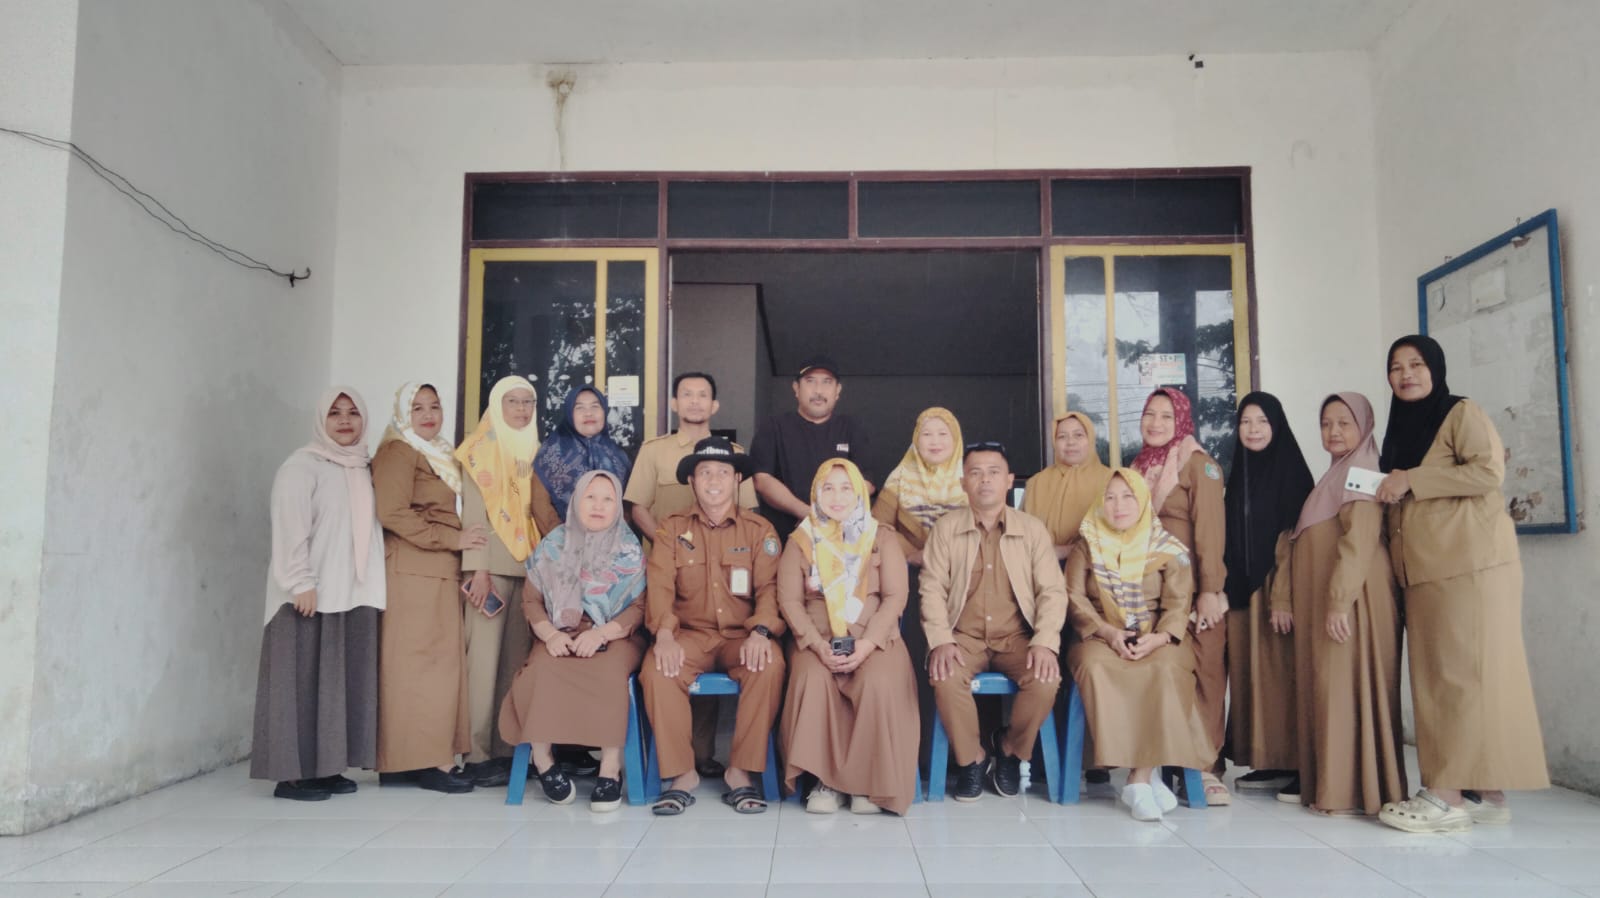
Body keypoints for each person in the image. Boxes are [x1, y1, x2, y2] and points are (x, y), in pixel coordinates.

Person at [1374, 335, 1549, 832]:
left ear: (1436, 368)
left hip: (1465, 565)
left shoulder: (1459, 412)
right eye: (1396, 367)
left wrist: (1413, 479)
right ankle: (1485, 793)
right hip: (1429, 568)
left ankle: (1445, 795)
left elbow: (1488, 472)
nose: (1406, 374)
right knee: (1465, 678)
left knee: (1452, 680)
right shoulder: (1403, 425)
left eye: (1416, 364)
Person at [1272, 392, 1407, 816]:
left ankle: (1347, 792)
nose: (1333, 431)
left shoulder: (1361, 472)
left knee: (1344, 688)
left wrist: (1338, 602)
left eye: (1344, 423)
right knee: (1332, 687)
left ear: (1363, 427)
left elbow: (1360, 540)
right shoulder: (1335, 475)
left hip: (1355, 600)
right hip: (1337, 598)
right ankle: (1334, 786)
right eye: (1326, 423)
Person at [639, 436, 787, 816]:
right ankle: (682, 774)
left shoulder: (759, 530)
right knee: (657, 669)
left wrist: (761, 632)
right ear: (692, 482)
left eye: (723, 472)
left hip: (741, 637)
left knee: (769, 663)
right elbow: (659, 586)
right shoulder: (671, 530)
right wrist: (664, 635)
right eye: (705, 473)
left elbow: (770, 589)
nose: (714, 480)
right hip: (689, 636)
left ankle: (740, 772)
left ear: (737, 479)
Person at [251, 387, 386, 801]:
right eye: (334, 413)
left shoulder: (363, 467)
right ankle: (291, 777)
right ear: (321, 421)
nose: (344, 420)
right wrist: (300, 582)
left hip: (349, 593)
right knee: (299, 682)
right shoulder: (301, 467)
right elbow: (290, 526)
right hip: (307, 594)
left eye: (353, 412)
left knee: (334, 685)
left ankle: (326, 769)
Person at [625, 372, 757, 779]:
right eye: (687, 394)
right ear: (674, 403)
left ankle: (707, 756)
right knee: (667, 664)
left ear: (714, 405)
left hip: (725, 575)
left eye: (703, 395)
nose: (695, 401)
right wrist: (673, 544)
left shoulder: (733, 455)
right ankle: (678, 765)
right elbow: (637, 506)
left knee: (727, 640)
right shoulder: (655, 451)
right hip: (673, 578)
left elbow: (748, 516)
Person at [921, 441, 1067, 801]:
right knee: (945, 676)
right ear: (963, 482)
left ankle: (1009, 749)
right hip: (963, 638)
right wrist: (941, 639)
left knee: (1045, 680)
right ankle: (972, 759)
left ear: (1009, 480)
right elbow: (931, 588)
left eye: (993, 472)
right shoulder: (946, 529)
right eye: (975, 473)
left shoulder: (1032, 530)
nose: (984, 480)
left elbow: (1052, 591)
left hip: (1017, 638)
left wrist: (1045, 641)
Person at [1064, 469, 1214, 822]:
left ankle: (1139, 776)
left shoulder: (1168, 547)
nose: (1118, 506)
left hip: (1158, 636)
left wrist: (1158, 638)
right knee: (1095, 666)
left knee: (1164, 668)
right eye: (1110, 498)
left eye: (1128, 497)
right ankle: (1148, 778)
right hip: (1101, 635)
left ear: (1143, 501)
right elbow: (1073, 597)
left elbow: (1179, 603)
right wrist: (1108, 633)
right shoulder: (1087, 544)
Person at [498, 470, 647, 812]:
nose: (598, 506)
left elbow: (639, 608)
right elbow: (531, 601)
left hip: (615, 634)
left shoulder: (629, 548)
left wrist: (601, 633)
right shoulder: (553, 544)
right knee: (540, 670)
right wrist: (550, 634)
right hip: (559, 632)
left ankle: (610, 769)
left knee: (609, 673)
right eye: (590, 497)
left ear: (618, 506)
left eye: (607, 499)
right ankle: (543, 760)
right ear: (576, 502)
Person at [779, 459, 919, 816]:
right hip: (818, 639)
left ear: (859, 493)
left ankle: (869, 784)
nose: (837, 497)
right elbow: (790, 601)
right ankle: (825, 782)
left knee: (878, 681)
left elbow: (895, 597)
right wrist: (816, 644)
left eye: (846, 488)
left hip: (875, 638)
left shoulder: (881, 536)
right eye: (828, 488)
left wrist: (868, 644)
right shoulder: (800, 540)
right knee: (812, 678)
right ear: (816, 494)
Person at [371, 382, 483, 794]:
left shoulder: (438, 453)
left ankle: (410, 761)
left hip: (433, 570)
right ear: (403, 414)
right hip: (413, 571)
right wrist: (453, 539)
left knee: (429, 666)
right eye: (417, 408)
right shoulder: (399, 451)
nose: (428, 415)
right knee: (420, 668)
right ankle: (430, 761)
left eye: (434, 406)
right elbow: (391, 512)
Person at [454, 376, 563, 787]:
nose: (521, 409)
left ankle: (505, 751)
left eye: (528, 401)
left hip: (529, 570)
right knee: (482, 667)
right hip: (492, 570)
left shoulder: (535, 450)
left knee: (515, 666)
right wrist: (477, 570)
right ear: (497, 405)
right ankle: (476, 754)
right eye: (512, 401)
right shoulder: (478, 450)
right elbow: (473, 517)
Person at [1129, 387, 1230, 805]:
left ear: (1183, 421)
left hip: (1194, 591)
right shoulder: (1139, 467)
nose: (1155, 423)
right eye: (1149, 414)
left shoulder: (1198, 465)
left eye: (1166, 416)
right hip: (1153, 594)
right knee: (1164, 675)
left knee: (1204, 675)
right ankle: (1164, 764)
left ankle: (1205, 768)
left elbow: (1210, 532)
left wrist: (1210, 591)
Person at [1221, 393, 1313, 799]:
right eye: (1245, 422)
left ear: (1277, 426)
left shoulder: (1292, 474)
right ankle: (1268, 759)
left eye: (1261, 422)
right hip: (1243, 592)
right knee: (1252, 678)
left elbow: (1295, 541)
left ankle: (1295, 762)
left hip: (1276, 591)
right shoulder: (1240, 473)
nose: (1253, 430)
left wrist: (1283, 597)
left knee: (1280, 677)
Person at [751, 356, 874, 539]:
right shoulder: (774, 426)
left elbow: (867, 483)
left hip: (841, 538)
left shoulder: (852, 428)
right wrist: (808, 513)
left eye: (827, 382)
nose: (818, 390)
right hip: (783, 537)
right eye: (810, 381)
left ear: (838, 390)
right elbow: (762, 480)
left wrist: (831, 514)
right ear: (796, 388)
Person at [872, 407, 967, 565]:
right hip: (906, 564)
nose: (935, 441)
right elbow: (878, 525)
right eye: (927, 434)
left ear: (956, 439)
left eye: (943, 434)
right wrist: (913, 555)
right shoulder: (899, 477)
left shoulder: (970, 478)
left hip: (959, 565)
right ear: (916, 439)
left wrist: (939, 555)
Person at [1023, 411, 1114, 560]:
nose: (1070, 442)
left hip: (1091, 566)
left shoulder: (1110, 480)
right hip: (1039, 565)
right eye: (1062, 436)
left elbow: (1117, 534)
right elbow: (1021, 532)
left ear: (1090, 439)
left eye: (1078, 435)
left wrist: (1065, 551)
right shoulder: (1036, 482)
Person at [535, 385, 633, 520]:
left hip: (614, 532)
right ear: (569, 414)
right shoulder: (550, 454)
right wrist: (563, 533)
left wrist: (615, 531)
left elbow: (628, 506)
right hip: (562, 532)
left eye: (595, 407)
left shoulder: (618, 457)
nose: (588, 413)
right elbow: (540, 506)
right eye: (580, 408)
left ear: (604, 411)